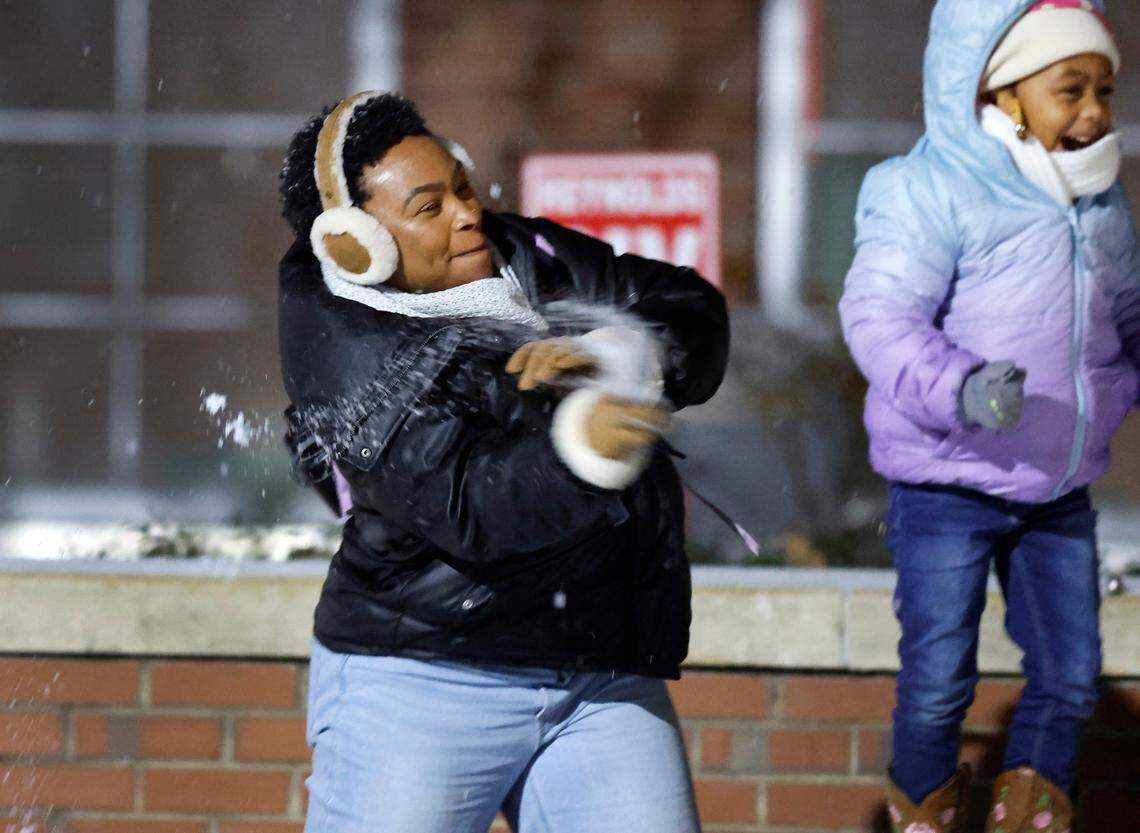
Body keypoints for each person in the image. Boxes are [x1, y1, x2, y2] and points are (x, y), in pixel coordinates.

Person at [277, 91, 728, 833]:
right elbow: (472, 508)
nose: (466, 214)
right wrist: (584, 450)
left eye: (461, 186)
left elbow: (689, 305)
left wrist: (626, 350)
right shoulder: (350, 354)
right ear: (357, 244)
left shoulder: (527, 257)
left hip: (598, 674)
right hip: (422, 680)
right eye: (429, 207)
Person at [839, 1, 1136, 830]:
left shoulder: (1101, 207)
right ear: (1002, 94)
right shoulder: (929, 189)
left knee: (1071, 677)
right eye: (1069, 89)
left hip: (1057, 487)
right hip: (945, 485)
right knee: (938, 679)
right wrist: (961, 386)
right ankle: (923, 814)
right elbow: (879, 318)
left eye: (1105, 91)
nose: (1093, 113)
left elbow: (1131, 317)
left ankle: (1031, 814)